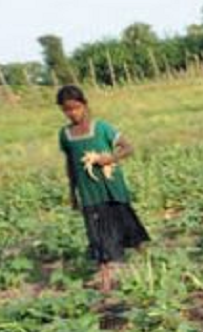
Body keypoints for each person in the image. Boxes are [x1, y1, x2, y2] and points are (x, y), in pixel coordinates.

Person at [56, 85, 149, 292]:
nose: (72, 113)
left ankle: (150, 260)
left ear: (84, 105)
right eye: (67, 110)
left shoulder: (101, 128)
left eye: (76, 108)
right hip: (89, 193)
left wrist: (110, 158)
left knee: (128, 226)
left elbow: (128, 147)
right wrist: (72, 192)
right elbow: (70, 164)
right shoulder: (65, 135)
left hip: (112, 188)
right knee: (97, 235)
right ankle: (106, 278)